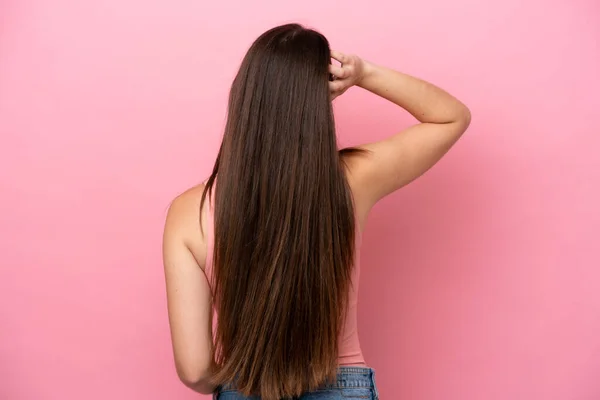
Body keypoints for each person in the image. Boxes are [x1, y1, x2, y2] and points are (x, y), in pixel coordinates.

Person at [162, 23, 470, 400]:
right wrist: (364, 73)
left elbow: (194, 370)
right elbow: (450, 116)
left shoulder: (186, 213)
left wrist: (240, 384)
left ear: (243, 98)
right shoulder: (353, 180)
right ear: (316, 107)